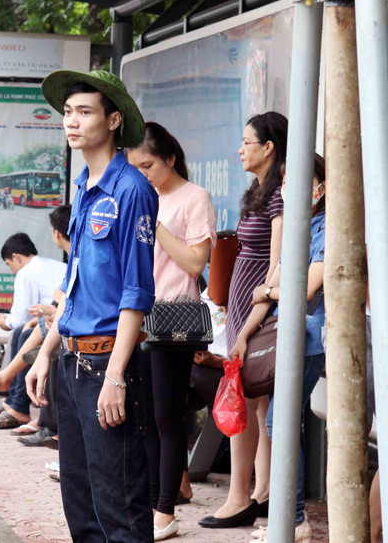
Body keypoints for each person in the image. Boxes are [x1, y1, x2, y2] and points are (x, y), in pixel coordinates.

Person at [24, 68, 157, 542]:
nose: (71, 122)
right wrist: (44, 352)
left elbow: (136, 294)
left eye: (84, 111)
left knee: (119, 507)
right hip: (72, 364)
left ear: (114, 119)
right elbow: (75, 282)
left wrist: (117, 376)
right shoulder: (82, 188)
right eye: (67, 112)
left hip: (108, 366)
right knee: (81, 508)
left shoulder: (132, 190)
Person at [126, 122, 217, 541]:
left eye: (148, 165)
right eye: (135, 167)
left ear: (170, 158)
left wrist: (156, 224)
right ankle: (152, 499)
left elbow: (196, 263)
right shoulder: (141, 196)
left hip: (173, 318)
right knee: (142, 415)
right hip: (136, 316)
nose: (142, 173)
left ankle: (165, 511)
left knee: (166, 415)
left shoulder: (193, 198)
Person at [200, 111, 287, 529]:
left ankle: (241, 498)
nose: (239, 150)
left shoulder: (280, 194)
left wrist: (250, 325)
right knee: (256, 404)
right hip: (240, 311)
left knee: (250, 398)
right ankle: (261, 493)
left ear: (268, 147)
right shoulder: (260, 189)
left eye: (247, 142)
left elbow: (277, 270)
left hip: (258, 314)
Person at [233, 156, 326, 543]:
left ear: (320, 187)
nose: (290, 189)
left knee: (279, 421)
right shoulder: (298, 229)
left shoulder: (326, 228)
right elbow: (269, 290)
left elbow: (303, 289)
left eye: (302, 181)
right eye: (286, 182)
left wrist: (269, 290)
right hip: (284, 340)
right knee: (280, 421)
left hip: (309, 341)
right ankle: (289, 519)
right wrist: (243, 335)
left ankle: (295, 519)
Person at [0, 233, 66, 427]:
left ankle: (18, 405)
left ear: (17, 258)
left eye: (9, 264)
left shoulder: (25, 272)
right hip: (55, 320)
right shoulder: (53, 264)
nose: (11, 269)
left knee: (19, 332)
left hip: (60, 325)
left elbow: (20, 317)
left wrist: (5, 321)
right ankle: (11, 399)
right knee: (23, 331)